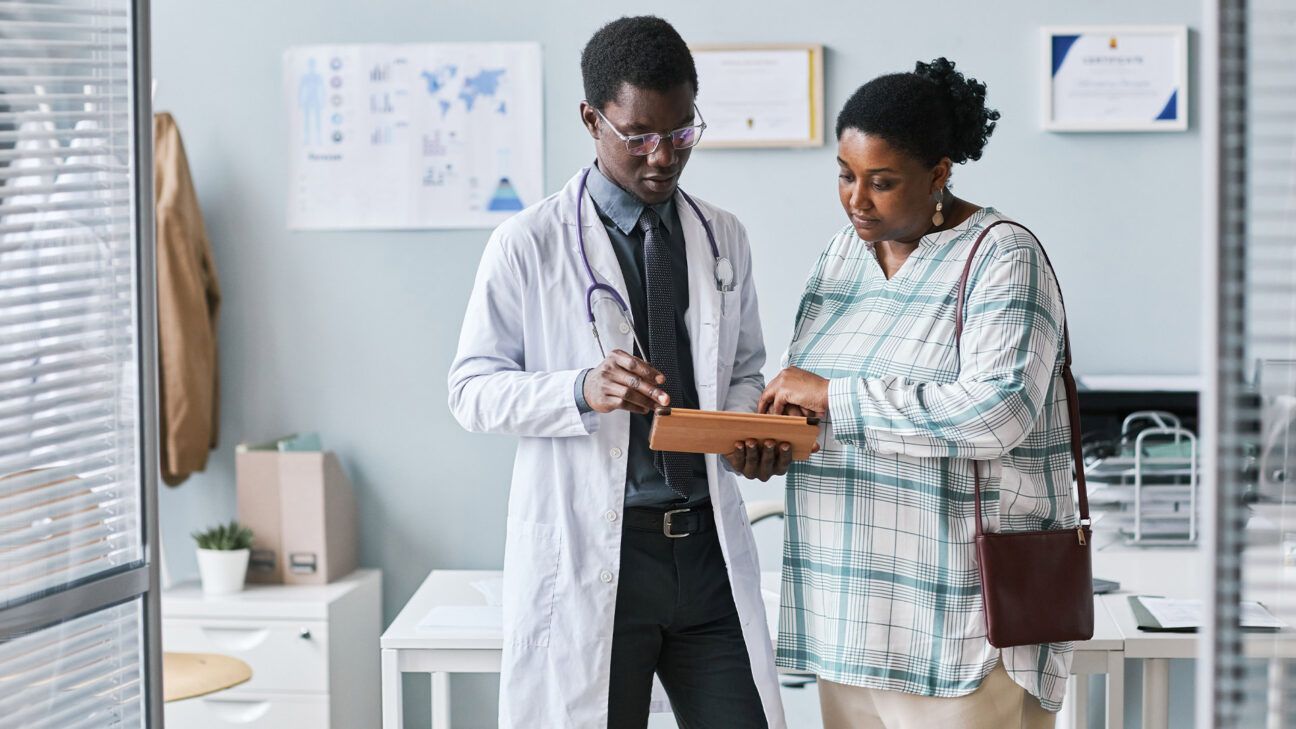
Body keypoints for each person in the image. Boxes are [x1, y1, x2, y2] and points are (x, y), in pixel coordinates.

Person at [448, 16, 787, 729]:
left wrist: (742, 428)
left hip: (705, 551)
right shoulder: (528, 244)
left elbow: (745, 368)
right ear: (591, 119)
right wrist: (579, 388)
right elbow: (471, 389)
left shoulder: (722, 234)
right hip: (599, 550)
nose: (662, 157)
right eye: (639, 136)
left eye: (681, 132)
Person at [756, 58, 1074, 728]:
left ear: (939, 173)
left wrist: (834, 398)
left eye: (882, 181)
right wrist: (767, 439)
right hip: (847, 614)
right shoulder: (840, 256)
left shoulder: (1001, 255)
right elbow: (810, 401)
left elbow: (997, 412)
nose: (856, 199)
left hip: (959, 626)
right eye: (845, 175)